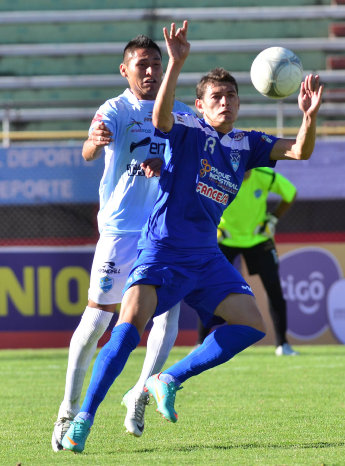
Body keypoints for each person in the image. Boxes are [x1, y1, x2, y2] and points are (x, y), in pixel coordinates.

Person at [61, 20, 323, 453]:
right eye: (216, 97)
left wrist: (308, 117)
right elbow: (161, 117)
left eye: (231, 96)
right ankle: (82, 418)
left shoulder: (245, 143)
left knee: (252, 324)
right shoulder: (185, 129)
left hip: (206, 258)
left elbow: (300, 150)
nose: (225, 102)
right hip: (161, 250)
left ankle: (167, 378)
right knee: (125, 332)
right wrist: (177, 63)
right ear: (199, 106)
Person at [51, 34, 193, 451]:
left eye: (155, 64)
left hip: (164, 232)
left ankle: (140, 394)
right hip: (120, 230)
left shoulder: (180, 114)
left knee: (168, 316)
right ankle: (67, 410)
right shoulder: (115, 109)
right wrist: (95, 141)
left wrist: (167, 167)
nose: (150, 71)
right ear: (125, 70)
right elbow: (89, 149)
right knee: (98, 321)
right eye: (142, 64)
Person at [196, 167, 298, 356]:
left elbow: (290, 193)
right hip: (225, 238)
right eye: (244, 166)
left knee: (274, 288)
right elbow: (199, 200)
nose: (247, 172)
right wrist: (213, 226)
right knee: (210, 289)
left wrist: (273, 219)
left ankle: (282, 344)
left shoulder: (266, 175)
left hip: (258, 239)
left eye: (251, 165)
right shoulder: (220, 174)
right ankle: (200, 342)